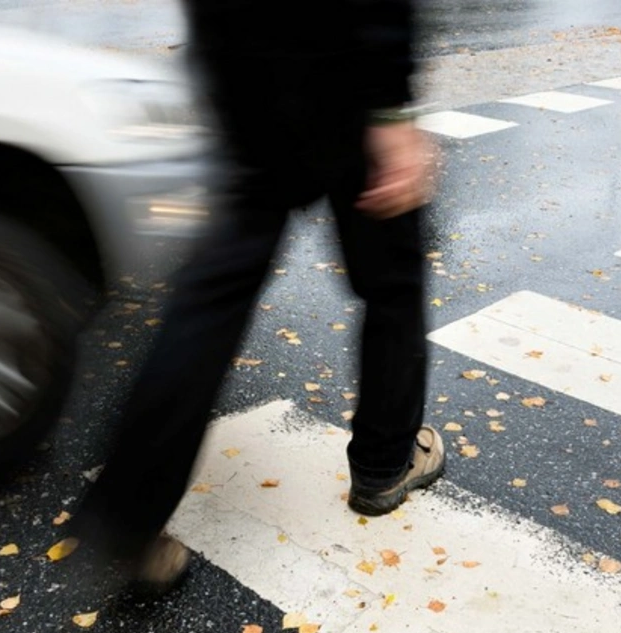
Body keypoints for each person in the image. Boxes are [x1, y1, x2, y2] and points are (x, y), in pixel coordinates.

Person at [74, 0, 444, 592]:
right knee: (392, 279)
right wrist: (390, 105)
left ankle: (127, 515)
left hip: (241, 66)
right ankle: (384, 464)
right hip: (341, 67)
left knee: (214, 292)